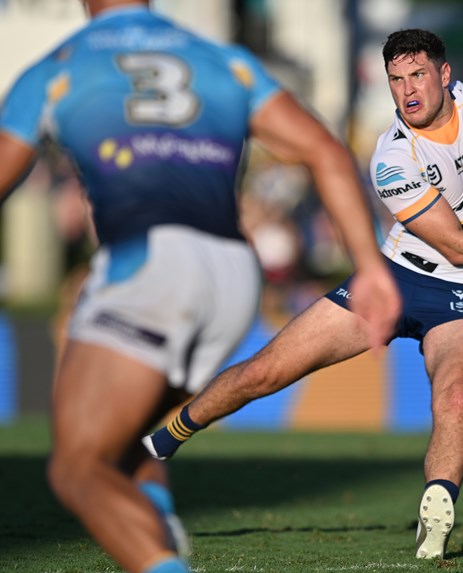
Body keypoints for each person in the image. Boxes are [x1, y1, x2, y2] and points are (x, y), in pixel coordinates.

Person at [144, 28, 463, 560]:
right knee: (264, 373)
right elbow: (457, 245)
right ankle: (162, 441)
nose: (407, 90)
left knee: (456, 396)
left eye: (416, 75)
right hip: (394, 281)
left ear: (444, 75)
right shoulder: (391, 157)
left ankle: (435, 518)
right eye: (395, 80)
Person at [0, 2, 400, 573]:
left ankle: (159, 549)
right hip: (232, 272)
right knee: (124, 432)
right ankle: (155, 513)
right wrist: (370, 266)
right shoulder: (222, 60)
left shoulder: (59, 65)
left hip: (150, 262)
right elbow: (326, 151)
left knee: (77, 466)